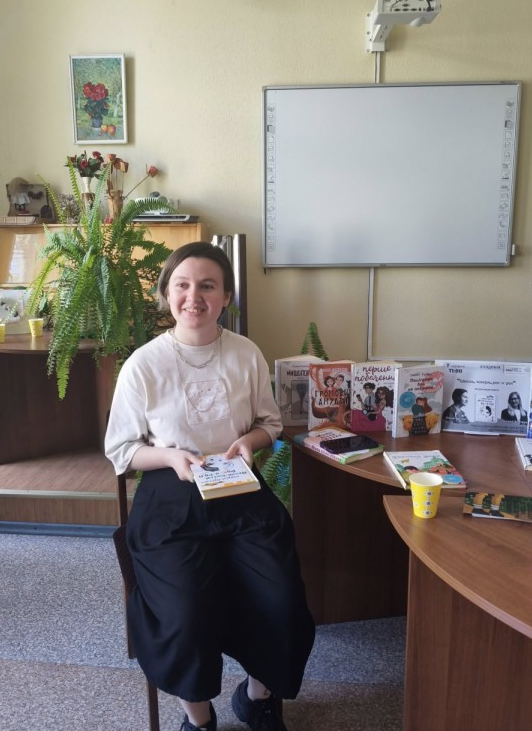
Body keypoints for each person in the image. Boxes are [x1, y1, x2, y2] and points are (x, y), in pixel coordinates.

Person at [105, 241, 315, 731]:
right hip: (170, 495)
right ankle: (198, 720)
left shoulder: (245, 353)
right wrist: (170, 457)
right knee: (184, 613)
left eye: (207, 286)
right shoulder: (143, 364)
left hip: (238, 488)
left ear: (225, 297)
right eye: (182, 285)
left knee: (281, 599)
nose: (193, 297)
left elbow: (269, 423)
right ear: (166, 293)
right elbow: (122, 451)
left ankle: (257, 698)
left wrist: (249, 442)